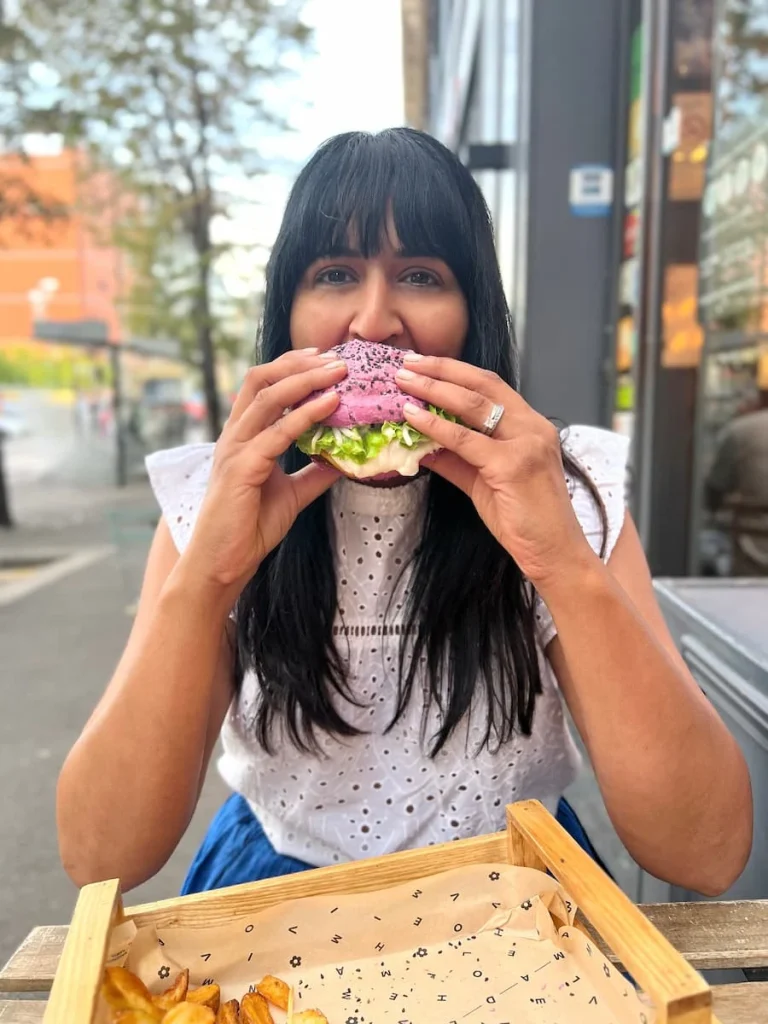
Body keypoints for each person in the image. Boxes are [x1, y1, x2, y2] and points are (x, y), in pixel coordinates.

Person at [57, 129, 752, 897]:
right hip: (274, 888)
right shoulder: (216, 494)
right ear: (286, 314)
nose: (372, 322)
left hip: (516, 896)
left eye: (421, 275)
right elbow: (100, 855)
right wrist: (207, 580)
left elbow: (705, 851)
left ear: (474, 313)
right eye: (334, 274)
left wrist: (561, 562)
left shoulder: (565, 485)